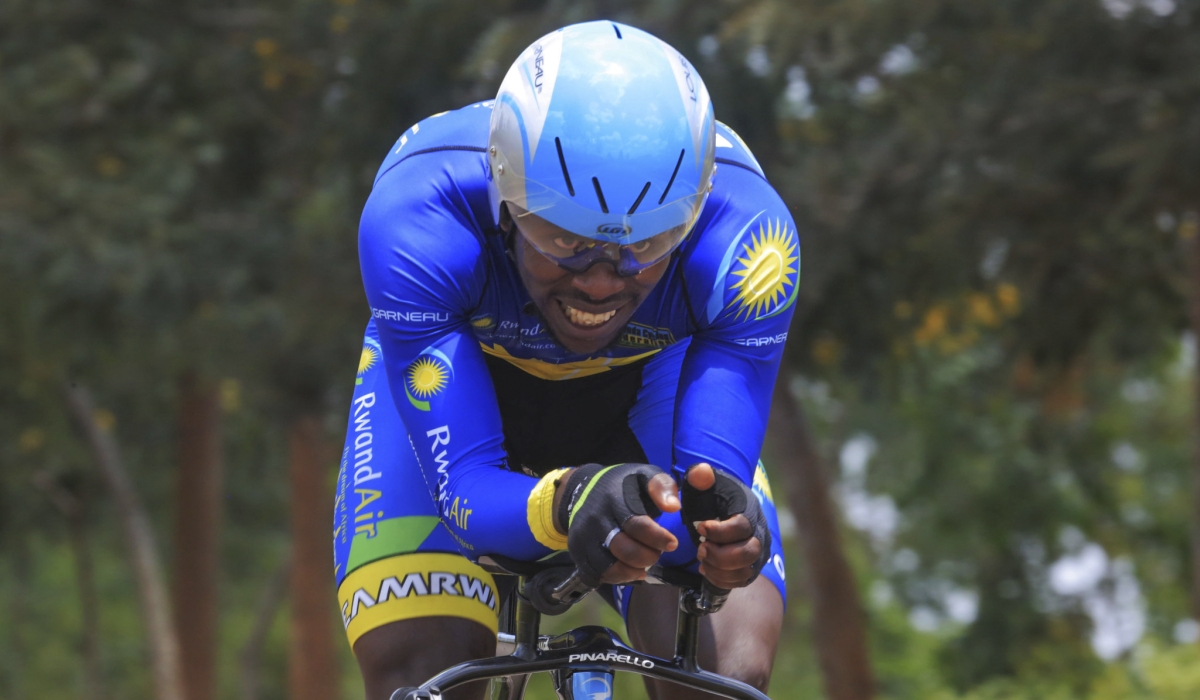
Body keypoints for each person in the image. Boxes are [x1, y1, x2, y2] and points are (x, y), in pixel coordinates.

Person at [333, 20, 799, 700]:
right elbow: (463, 490)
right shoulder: (419, 218)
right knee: (422, 674)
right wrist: (569, 498)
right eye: (560, 236)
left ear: (693, 215)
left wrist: (721, 538)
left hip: (645, 396)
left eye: (650, 242)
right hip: (466, 401)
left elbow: (705, 490)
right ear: (503, 196)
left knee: (724, 674)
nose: (603, 280)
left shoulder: (750, 248)